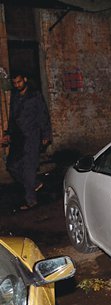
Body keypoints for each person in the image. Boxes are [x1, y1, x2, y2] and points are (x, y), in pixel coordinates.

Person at [2, 73, 52, 210]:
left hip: (32, 136)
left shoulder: (35, 96)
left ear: (24, 80)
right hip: (18, 137)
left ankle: (31, 201)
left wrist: (46, 134)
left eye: (19, 82)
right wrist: (8, 134)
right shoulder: (15, 96)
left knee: (29, 168)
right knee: (12, 165)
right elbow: (12, 117)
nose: (17, 85)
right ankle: (34, 184)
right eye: (15, 83)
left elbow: (43, 115)